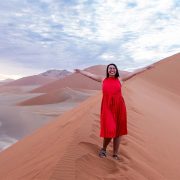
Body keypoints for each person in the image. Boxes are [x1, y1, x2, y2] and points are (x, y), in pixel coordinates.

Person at [75, 63, 154, 160]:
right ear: (107, 71)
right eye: (110, 68)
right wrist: (80, 72)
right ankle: (103, 149)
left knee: (118, 131)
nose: (111, 70)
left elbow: (134, 73)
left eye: (113, 68)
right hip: (107, 107)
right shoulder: (103, 79)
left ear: (116, 70)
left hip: (119, 107)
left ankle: (115, 154)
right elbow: (90, 75)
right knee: (110, 129)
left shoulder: (120, 80)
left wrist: (145, 68)